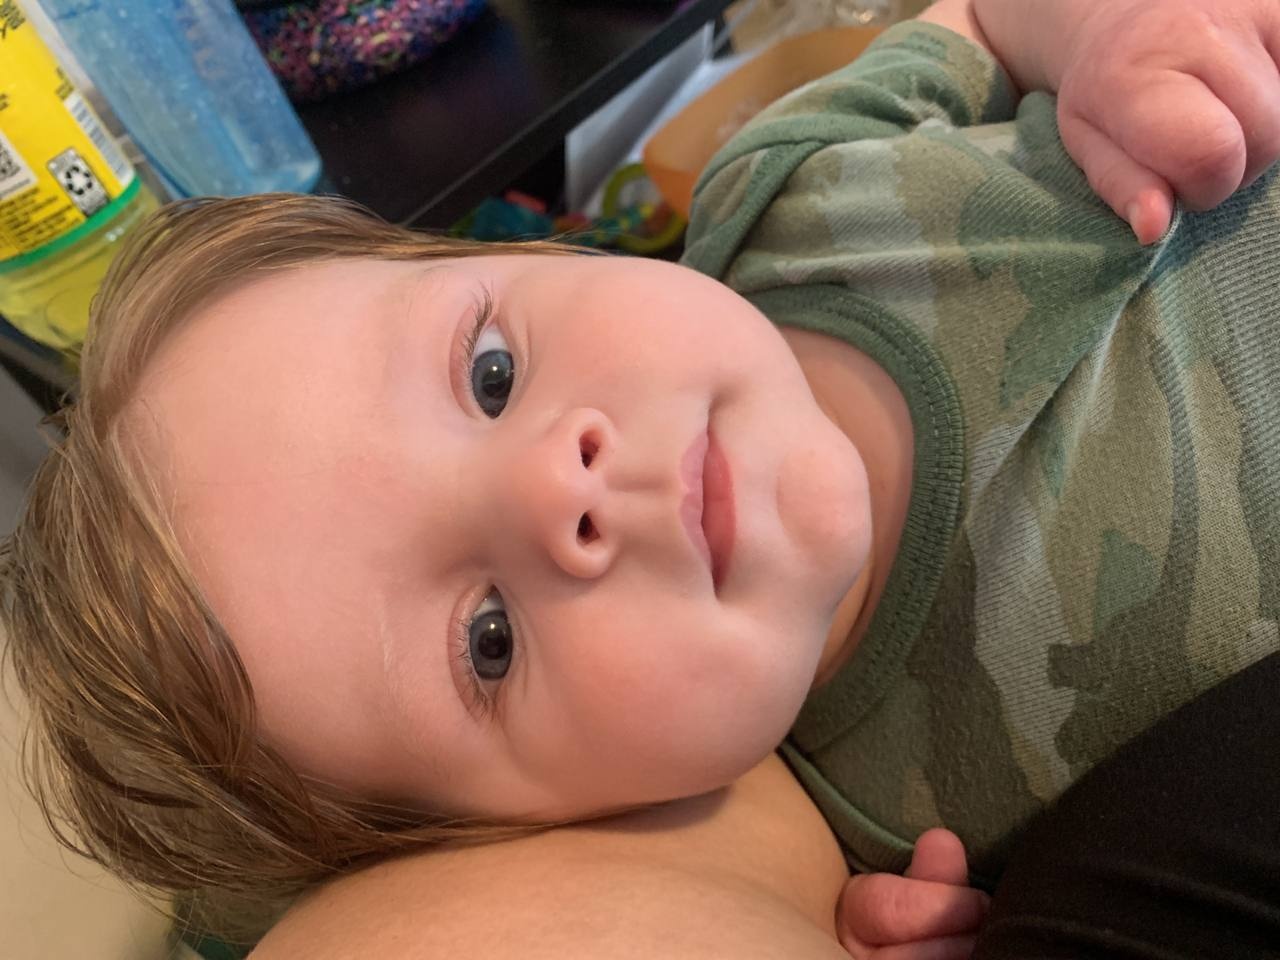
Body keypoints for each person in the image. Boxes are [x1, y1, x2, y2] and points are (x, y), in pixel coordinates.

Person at [2, 0, 1277, 955]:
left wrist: (1108, 33)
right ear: (547, 829)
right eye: (488, 641)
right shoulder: (922, 828)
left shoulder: (789, 190)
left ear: (521, 255)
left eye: (490, 375)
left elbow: (987, 19)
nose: (557, 491)